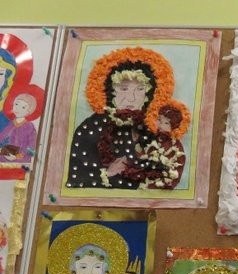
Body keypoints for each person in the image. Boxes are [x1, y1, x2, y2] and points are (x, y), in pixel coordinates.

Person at [65, 47, 180, 190]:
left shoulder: (154, 126)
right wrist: (108, 173)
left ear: (149, 94)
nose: (131, 98)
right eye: (123, 89)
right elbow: (76, 180)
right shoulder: (90, 128)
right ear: (110, 91)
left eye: (140, 89)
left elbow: (170, 166)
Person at [141, 100, 190, 190]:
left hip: (163, 186)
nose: (160, 124)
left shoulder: (176, 146)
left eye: (166, 123)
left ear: (174, 126)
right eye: (159, 120)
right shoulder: (149, 138)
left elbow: (178, 166)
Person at [0, 88, 41, 166]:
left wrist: (18, 155)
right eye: (16, 104)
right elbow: (2, 137)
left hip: (21, 159)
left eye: (23, 107)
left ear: (29, 111)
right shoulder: (10, 123)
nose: (18, 108)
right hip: (6, 155)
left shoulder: (29, 126)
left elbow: (32, 146)